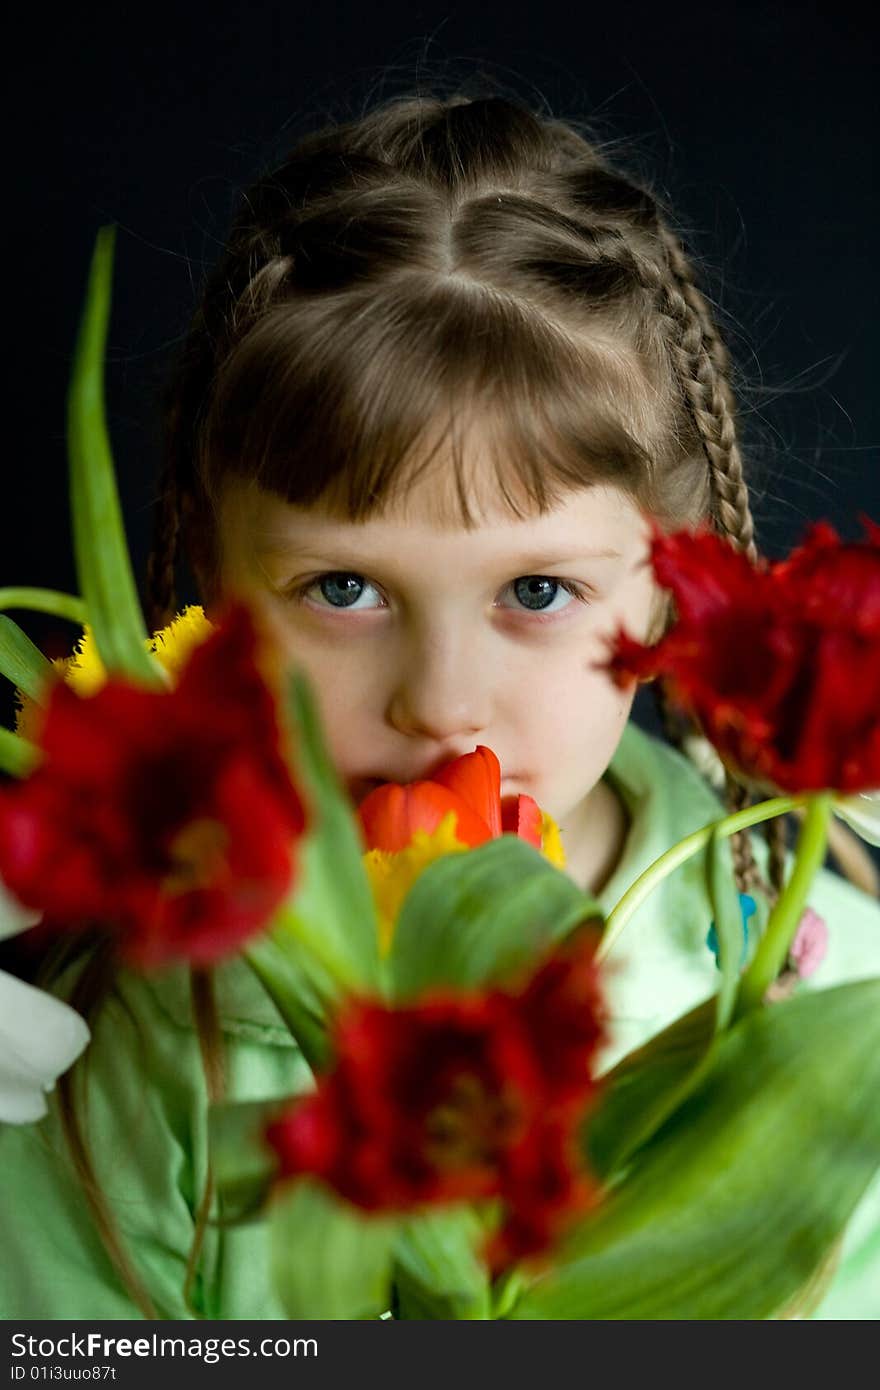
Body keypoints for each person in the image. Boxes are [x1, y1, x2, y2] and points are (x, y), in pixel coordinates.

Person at [1, 88, 878, 1321]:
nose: (441, 703)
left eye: (535, 589)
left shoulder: (825, 998)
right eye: (344, 587)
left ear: (681, 585)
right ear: (212, 572)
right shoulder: (113, 1036)